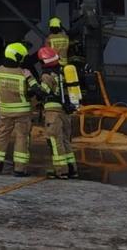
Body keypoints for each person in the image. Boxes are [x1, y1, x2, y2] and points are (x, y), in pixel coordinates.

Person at [0, 42, 39, 176]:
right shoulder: (23, 74)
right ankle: (19, 169)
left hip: (5, 111)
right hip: (23, 112)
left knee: (1, 136)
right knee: (22, 138)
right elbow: (33, 92)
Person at [37, 46, 78, 179]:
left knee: (55, 141)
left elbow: (42, 92)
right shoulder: (62, 72)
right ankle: (72, 169)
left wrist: (30, 81)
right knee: (65, 140)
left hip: (53, 113)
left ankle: (61, 171)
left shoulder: (47, 76)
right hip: (65, 111)